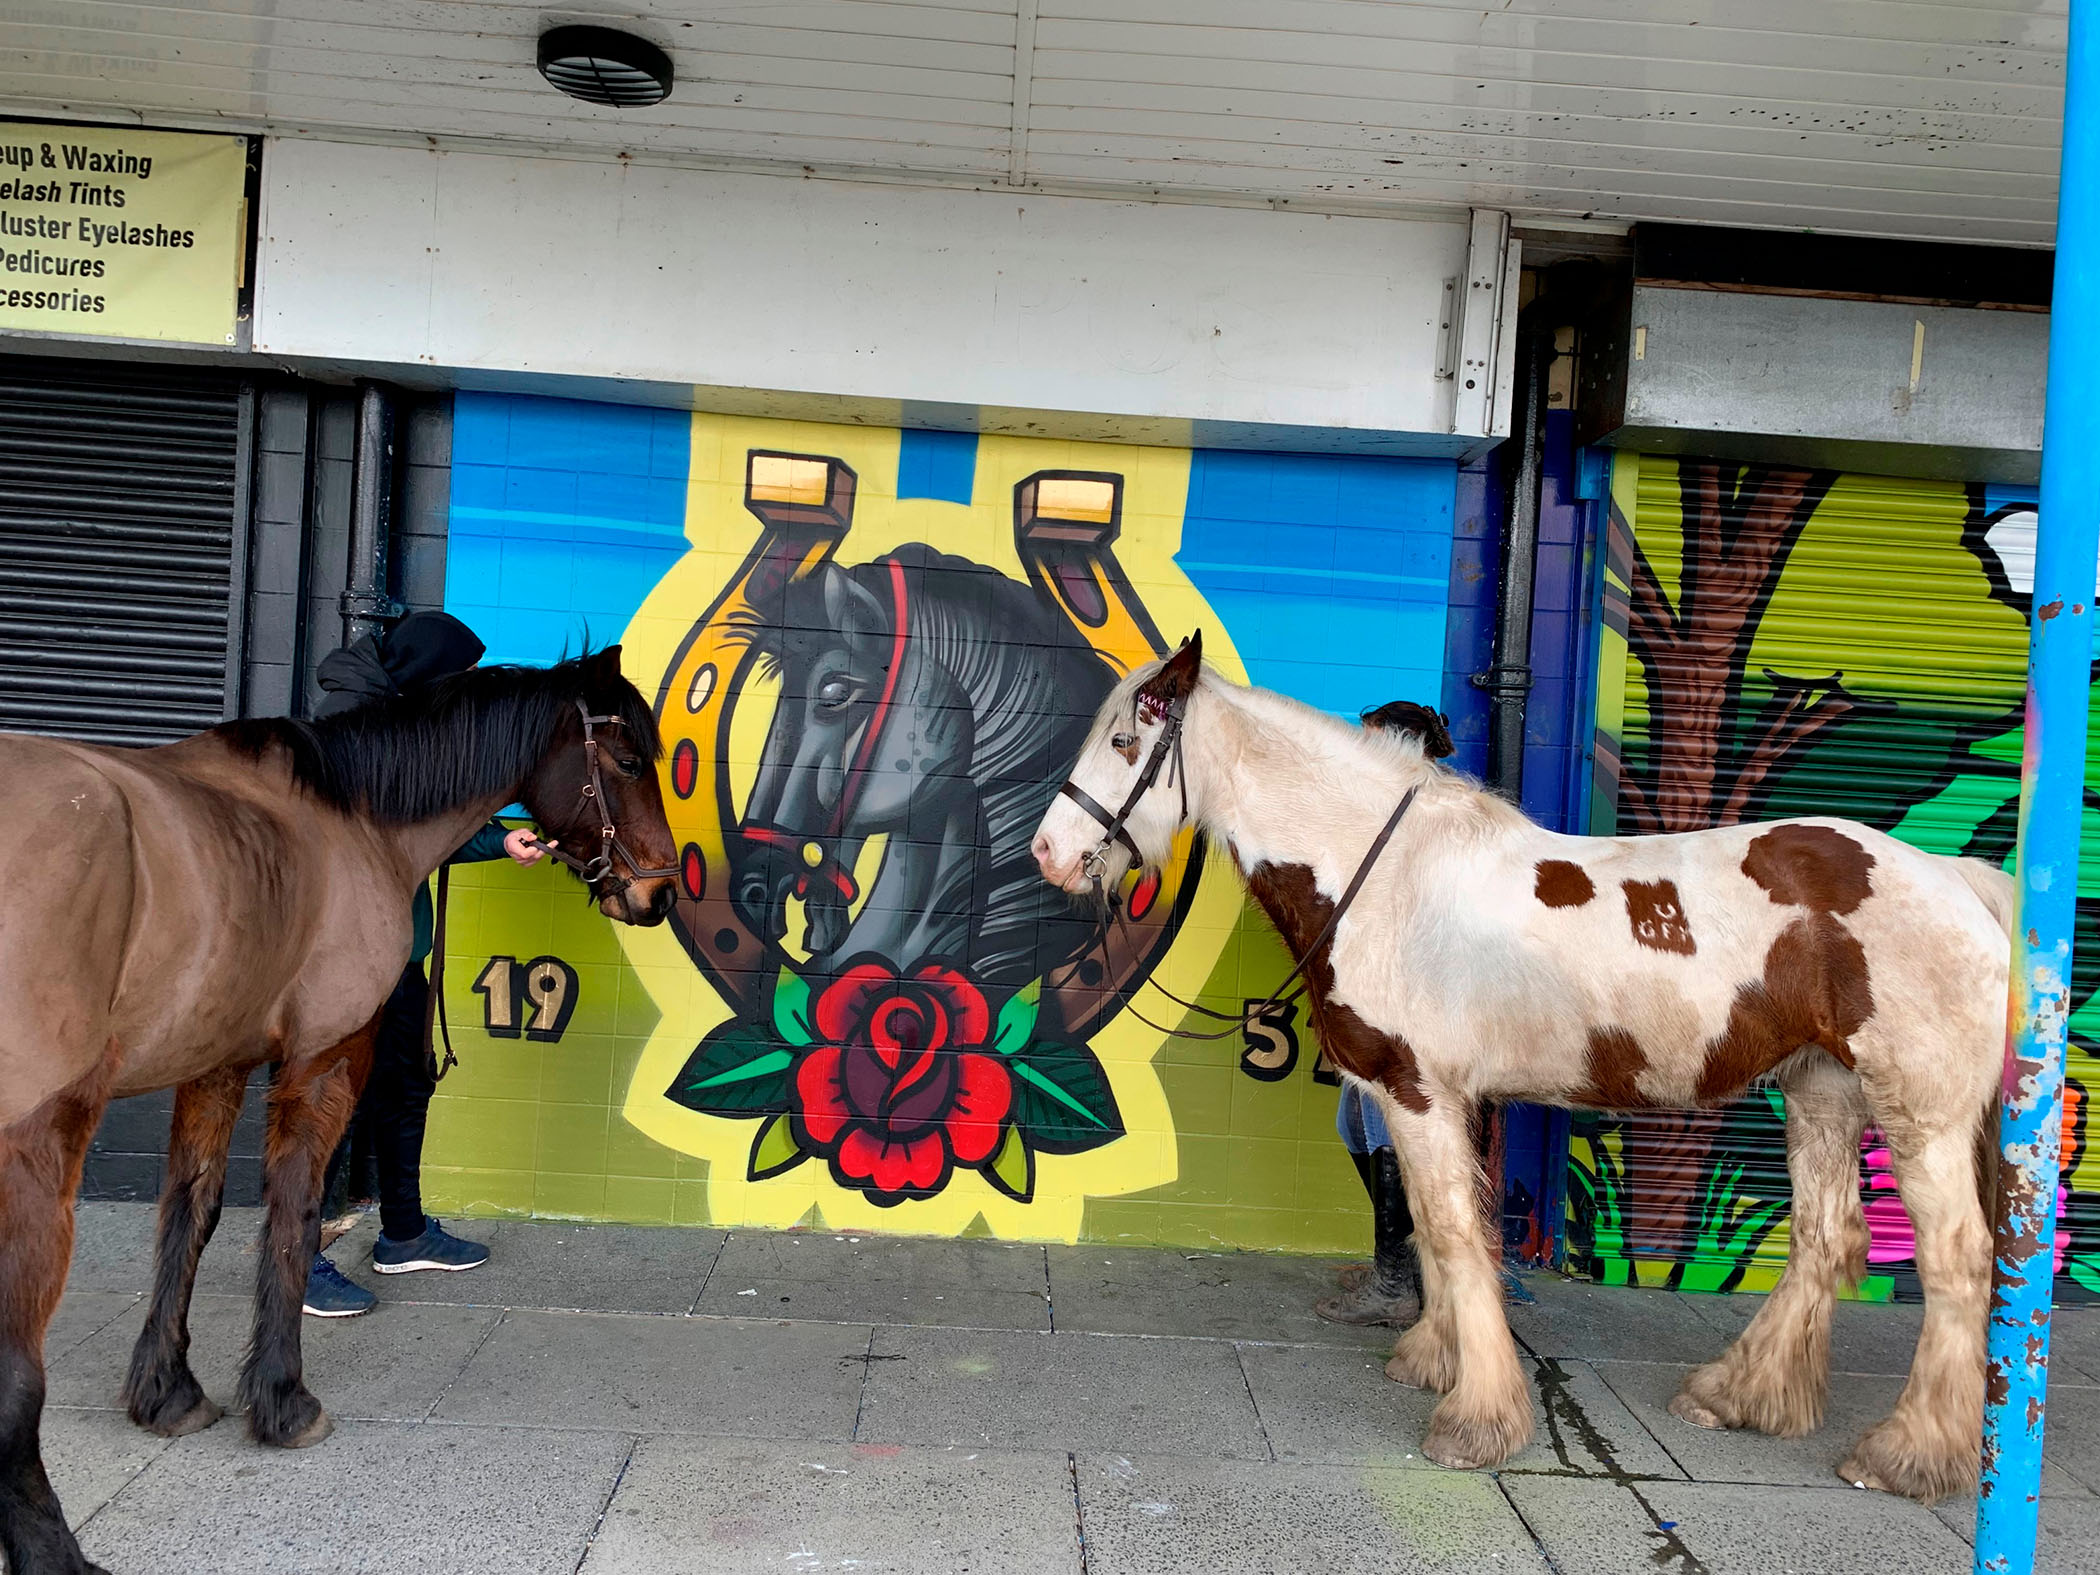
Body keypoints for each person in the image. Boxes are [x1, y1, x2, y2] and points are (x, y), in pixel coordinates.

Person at [300, 613, 550, 1318]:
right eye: (458, 677)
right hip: (343, 957)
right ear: (427, 672)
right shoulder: (348, 724)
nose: (463, 690)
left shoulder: (402, 721)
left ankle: (403, 1233)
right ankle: (298, 1258)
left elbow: (423, 827)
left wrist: (499, 843)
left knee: (405, 1085)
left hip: (399, 950)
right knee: (327, 1106)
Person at [1315, 701, 1525, 1326]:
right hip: (1391, 1003)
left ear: (1399, 750)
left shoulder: (1431, 816)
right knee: (1355, 1128)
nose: (1360, 749)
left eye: (1369, 740)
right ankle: (1403, 1265)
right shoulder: (1388, 812)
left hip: (1420, 1013)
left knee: (1386, 1130)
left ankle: (1396, 1284)